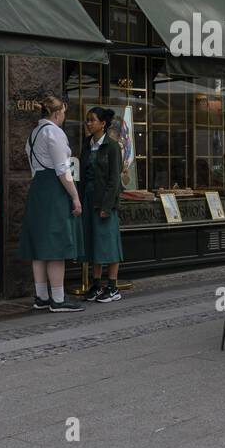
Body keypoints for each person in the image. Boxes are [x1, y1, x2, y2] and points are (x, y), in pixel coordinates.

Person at [20, 96, 85, 313]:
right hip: (54, 190)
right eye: (64, 113)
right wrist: (75, 197)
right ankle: (57, 298)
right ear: (57, 113)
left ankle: (41, 296)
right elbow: (62, 170)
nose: (64, 117)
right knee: (57, 244)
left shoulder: (33, 134)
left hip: (38, 188)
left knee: (39, 245)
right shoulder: (54, 132)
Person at [80, 106, 124, 303]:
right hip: (88, 199)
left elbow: (115, 180)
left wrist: (107, 206)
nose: (88, 123)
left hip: (105, 201)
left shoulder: (112, 147)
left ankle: (113, 287)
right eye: (87, 120)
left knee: (109, 243)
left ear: (102, 124)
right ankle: (96, 285)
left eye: (92, 120)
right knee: (93, 242)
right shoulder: (86, 144)